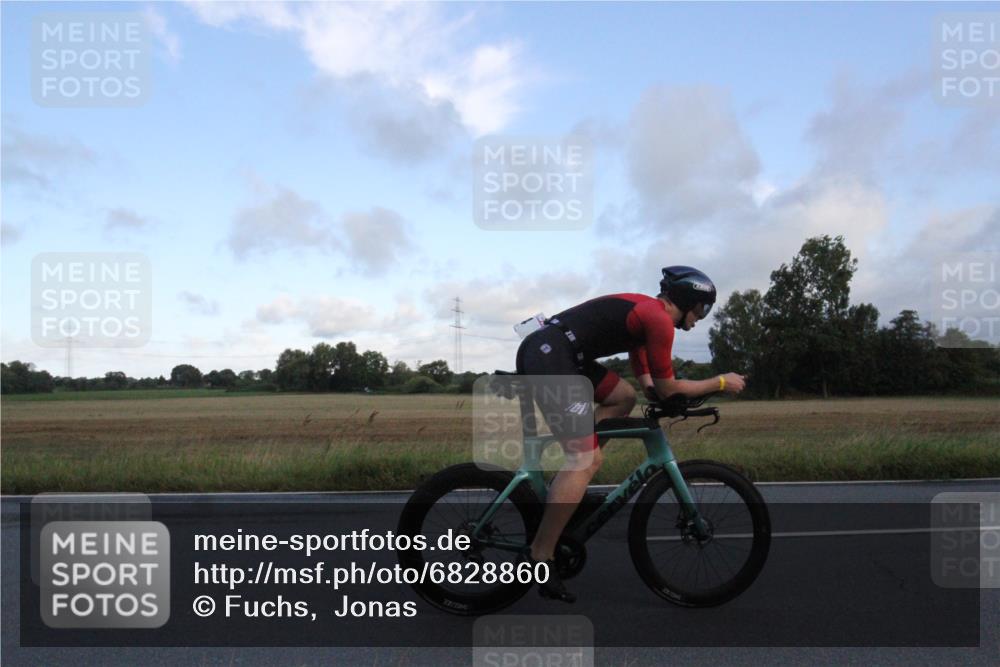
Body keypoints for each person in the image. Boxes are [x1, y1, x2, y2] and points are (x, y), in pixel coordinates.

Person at [515, 266, 747, 602]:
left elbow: (647, 375)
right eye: (702, 309)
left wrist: (654, 391)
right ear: (688, 300)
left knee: (621, 398)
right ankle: (539, 556)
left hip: (560, 352)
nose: (700, 318)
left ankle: (565, 488)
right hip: (552, 356)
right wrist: (720, 382)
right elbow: (669, 387)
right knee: (587, 458)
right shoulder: (658, 320)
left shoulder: (649, 316)